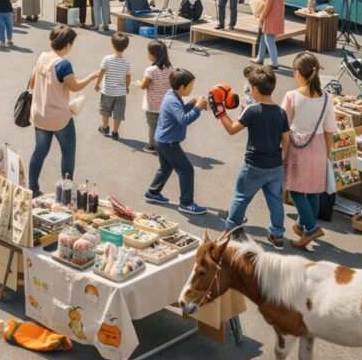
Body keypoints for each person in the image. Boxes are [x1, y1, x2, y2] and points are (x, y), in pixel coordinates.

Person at [218, 64, 290, 249]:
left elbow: (232, 129)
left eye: (250, 86)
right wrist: (281, 158)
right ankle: (277, 236)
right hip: (275, 165)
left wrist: (220, 112)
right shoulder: (281, 112)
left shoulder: (252, 110)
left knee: (241, 197)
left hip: (254, 165)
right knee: (275, 201)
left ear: (255, 89)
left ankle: (231, 231)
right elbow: (286, 140)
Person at [27, 25, 101, 194]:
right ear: (67, 45)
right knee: (68, 153)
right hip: (59, 117)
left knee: (39, 152)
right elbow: (74, 87)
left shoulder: (41, 57)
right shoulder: (63, 64)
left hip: (39, 115)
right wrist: (91, 77)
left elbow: (32, 83)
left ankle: (33, 189)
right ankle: (66, 191)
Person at [282, 52, 334, 248]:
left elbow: (283, 125)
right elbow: (330, 128)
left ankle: (311, 228)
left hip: (298, 146)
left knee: (295, 190)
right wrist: (328, 151)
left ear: (297, 72)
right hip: (319, 145)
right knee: (313, 191)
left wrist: (281, 148)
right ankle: (303, 225)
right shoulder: (327, 97)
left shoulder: (292, 96)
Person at [143, 67, 209, 214]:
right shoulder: (173, 100)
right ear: (181, 87)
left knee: (166, 168)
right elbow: (184, 119)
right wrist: (197, 108)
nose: (192, 88)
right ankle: (186, 203)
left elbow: (179, 112)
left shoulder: (171, 95)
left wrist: (191, 105)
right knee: (187, 170)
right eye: (191, 86)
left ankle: (152, 193)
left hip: (162, 140)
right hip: (169, 143)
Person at [96, 32, 131, 139]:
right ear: (126, 47)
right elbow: (128, 77)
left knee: (105, 110)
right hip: (120, 93)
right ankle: (115, 132)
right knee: (118, 113)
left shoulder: (106, 59)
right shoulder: (127, 62)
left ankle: (105, 127)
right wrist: (127, 87)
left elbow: (100, 73)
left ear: (112, 45)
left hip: (107, 91)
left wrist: (97, 84)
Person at [254, 0, 286, 68]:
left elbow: (267, 7)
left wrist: (261, 18)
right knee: (263, 38)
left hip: (270, 18)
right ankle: (260, 58)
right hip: (278, 17)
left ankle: (274, 63)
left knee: (269, 40)